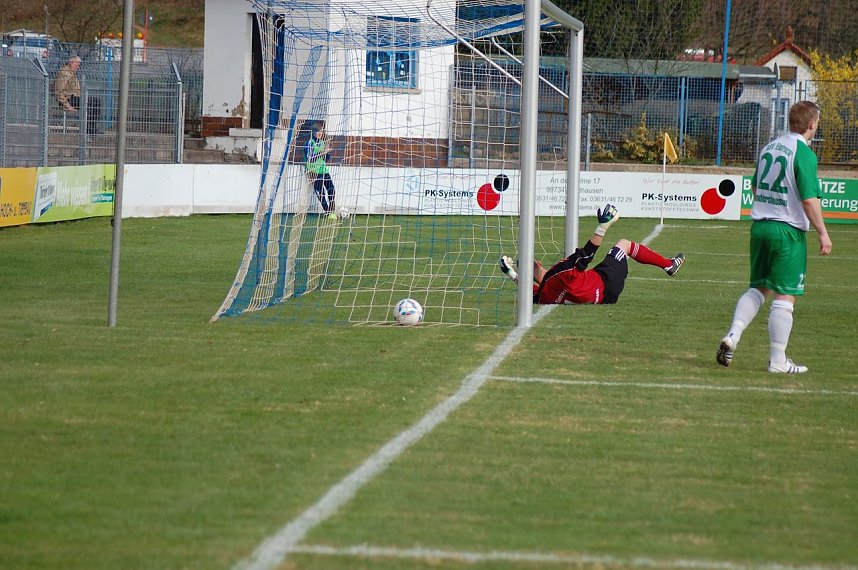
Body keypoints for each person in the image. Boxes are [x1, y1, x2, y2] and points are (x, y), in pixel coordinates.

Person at [716, 100, 832, 374]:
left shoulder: (770, 146)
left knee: (759, 287)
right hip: (786, 232)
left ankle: (732, 335)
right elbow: (808, 200)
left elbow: (756, 187)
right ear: (812, 123)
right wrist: (823, 233)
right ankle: (778, 361)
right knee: (785, 295)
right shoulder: (803, 153)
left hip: (760, 227)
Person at [499, 204, 685, 305]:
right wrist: (602, 227)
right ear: (538, 262)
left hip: (604, 296)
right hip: (604, 282)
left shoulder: (543, 295)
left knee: (618, 251)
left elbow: (527, 291)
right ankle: (669, 265)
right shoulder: (560, 272)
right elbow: (586, 255)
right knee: (624, 245)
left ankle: (668, 264)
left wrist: (510, 273)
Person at [54, 55, 102, 135]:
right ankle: (88, 130)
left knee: (95, 102)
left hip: (74, 97)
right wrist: (68, 106)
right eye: (77, 65)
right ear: (71, 63)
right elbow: (59, 92)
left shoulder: (71, 73)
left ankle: (91, 129)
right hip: (68, 99)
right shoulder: (64, 74)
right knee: (92, 103)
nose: (78, 67)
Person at [305, 123, 336, 220]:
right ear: (313, 132)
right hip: (314, 170)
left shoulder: (323, 143)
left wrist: (328, 151)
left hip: (323, 169)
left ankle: (331, 211)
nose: (320, 133)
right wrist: (323, 152)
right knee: (320, 192)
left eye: (321, 131)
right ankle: (327, 211)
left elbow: (325, 159)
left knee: (331, 189)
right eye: (318, 131)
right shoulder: (310, 143)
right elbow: (310, 158)